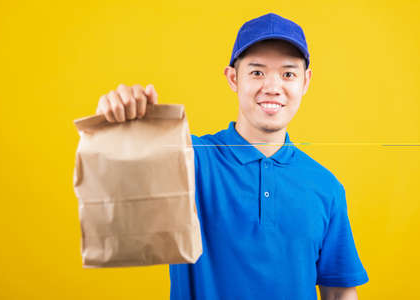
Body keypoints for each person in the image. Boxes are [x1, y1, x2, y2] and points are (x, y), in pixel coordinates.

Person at [95, 12, 369, 300]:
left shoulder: (326, 187)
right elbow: (119, 179)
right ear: (233, 78)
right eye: (257, 72)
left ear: (305, 82)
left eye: (288, 73)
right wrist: (120, 123)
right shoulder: (190, 160)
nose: (273, 87)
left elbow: (339, 292)